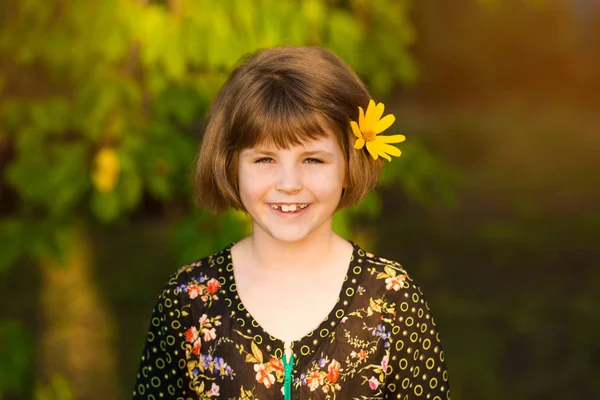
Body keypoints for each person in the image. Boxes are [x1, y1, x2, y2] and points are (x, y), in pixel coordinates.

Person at [132, 46, 451, 400]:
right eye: (265, 158)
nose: (288, 183)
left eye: (313, 160)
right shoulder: (188, 301)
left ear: (349, 165)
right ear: (230, 166)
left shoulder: (391, 299)